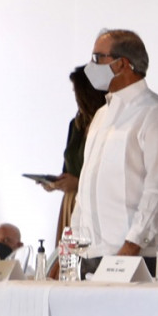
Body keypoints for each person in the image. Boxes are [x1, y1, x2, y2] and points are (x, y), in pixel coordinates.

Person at [72, 29, 158, 273]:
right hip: (91, 251)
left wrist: (132, 245)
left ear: (121, 64)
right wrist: (72, 245)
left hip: (138, 253)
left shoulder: (155, 113)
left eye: (97, 58)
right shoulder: (101, 115)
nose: (91, 65)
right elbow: (86, 187)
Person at [39, 65, 106, 243]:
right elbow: (68, 168)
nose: (75, 97)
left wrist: (78, 182)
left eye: (77, 91)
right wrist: (56, 182)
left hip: (94, 204)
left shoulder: (109, 126)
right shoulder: (76, 124)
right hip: (71, 201)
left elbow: (109, 175)